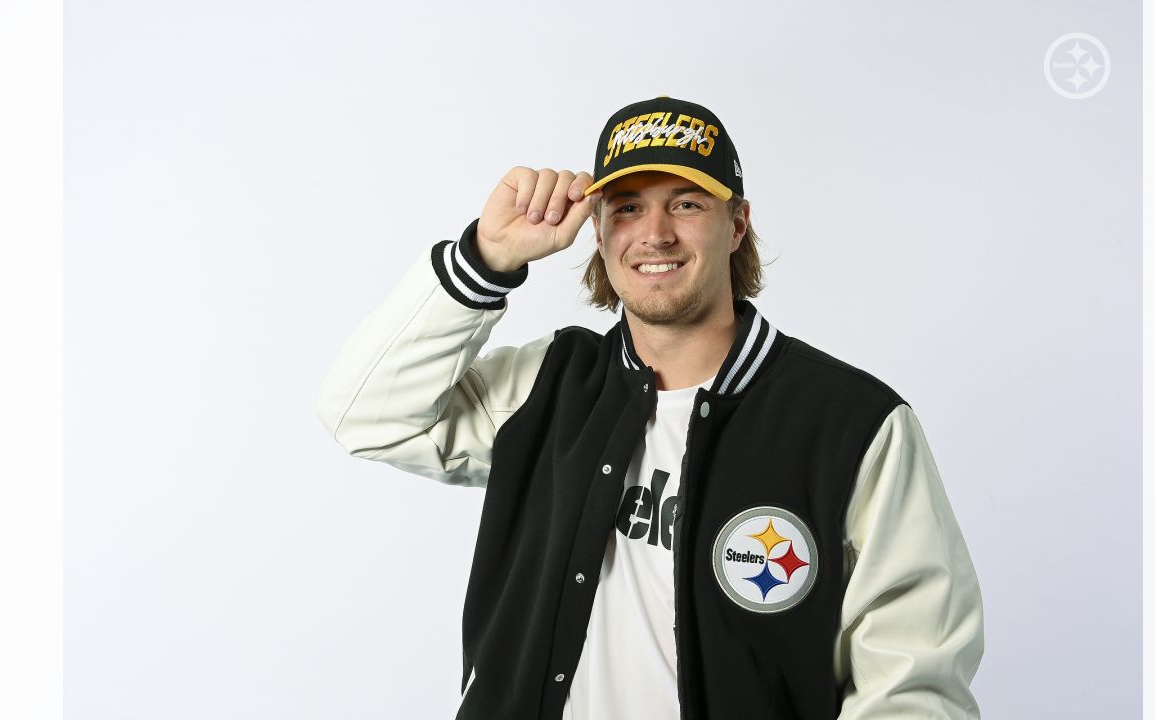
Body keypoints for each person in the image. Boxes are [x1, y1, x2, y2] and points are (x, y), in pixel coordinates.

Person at [315, 96, 983, 719]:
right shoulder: (549, 384)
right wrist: (485, 261)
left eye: (687, 204)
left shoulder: (852, 424)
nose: (654, 234)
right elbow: (368, 414)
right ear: (599, 231)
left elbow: (912, 676)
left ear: (736, 224)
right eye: (628, 208)